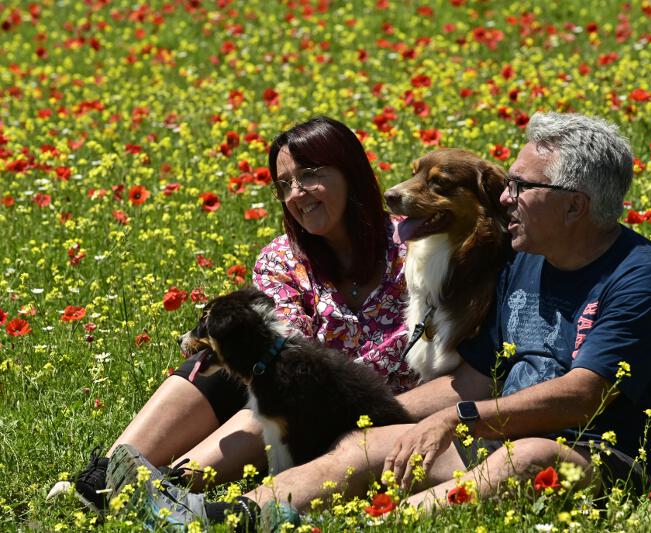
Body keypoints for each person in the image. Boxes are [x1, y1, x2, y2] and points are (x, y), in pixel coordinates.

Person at [108, 112, 651, 528]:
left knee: (530, 458)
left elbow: (583, 396)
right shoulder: (526, 263)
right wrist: (372, 415)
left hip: (607, 461)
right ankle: (232, 518)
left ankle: (375, 527)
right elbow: (471, 375)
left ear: (576, 203)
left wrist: (459, 420)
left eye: (523, 186)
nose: (504, 197)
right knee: (371, 442)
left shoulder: (639, 276)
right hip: (502, 435)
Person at [48, 116, 418, 525]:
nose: (297, 194)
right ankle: (111, 475)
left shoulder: (411, 247)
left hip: (368, 410)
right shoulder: (282, 259)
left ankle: (166, 486)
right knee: (224, 358)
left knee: (279, 385)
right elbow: (283, 357)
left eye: (310, 175)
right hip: (290, 395)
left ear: (350, 172)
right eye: (285, 184)